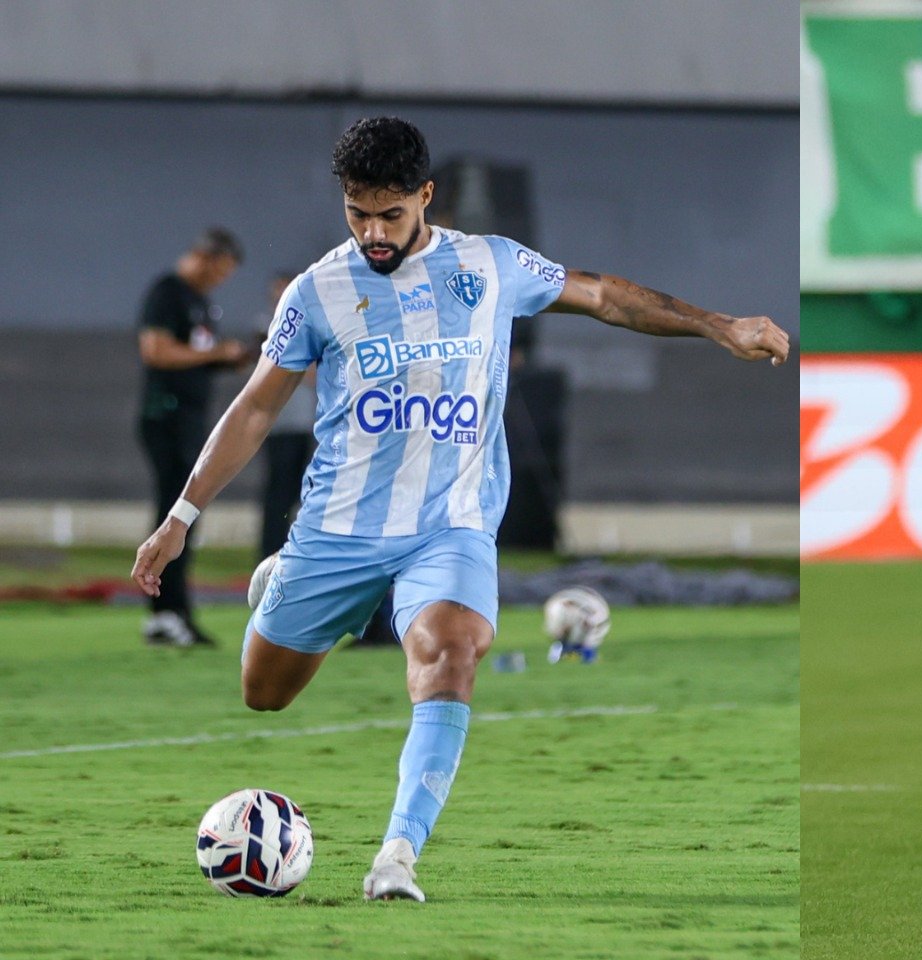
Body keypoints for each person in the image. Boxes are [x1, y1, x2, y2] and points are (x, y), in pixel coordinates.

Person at [130, 117, 789, 901]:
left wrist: (720, 326)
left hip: (451, 524)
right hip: (340, 527)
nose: (374, 233)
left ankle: (397, 855)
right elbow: (252, 409)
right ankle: (290, 584)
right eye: (358, 214)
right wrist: (180, 518)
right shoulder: (318, 292)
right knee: (263, 693)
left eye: (390, 214)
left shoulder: (489, 264)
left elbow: (604, 296)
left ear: (425, 196)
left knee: (452, 654)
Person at [136, 227, 251, 647]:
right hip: (166, 416)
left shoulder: (198, 301)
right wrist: (216, 353)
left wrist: (228, 360)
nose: (221, 279)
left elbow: (193, 355)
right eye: (220, 270)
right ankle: (164, 612)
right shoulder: (168, 292)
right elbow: (156, 350)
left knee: (185, 514)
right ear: (204, 256)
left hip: (187, 419)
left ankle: (175, 610)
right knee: (175, 514)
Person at [256, 271, 318, 561]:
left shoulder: (311, 326)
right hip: (278, 425)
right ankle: (269, 555)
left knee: (297, 495)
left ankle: (289, 554)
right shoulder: (268, 326)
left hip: (305, 425)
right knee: (277, 495)